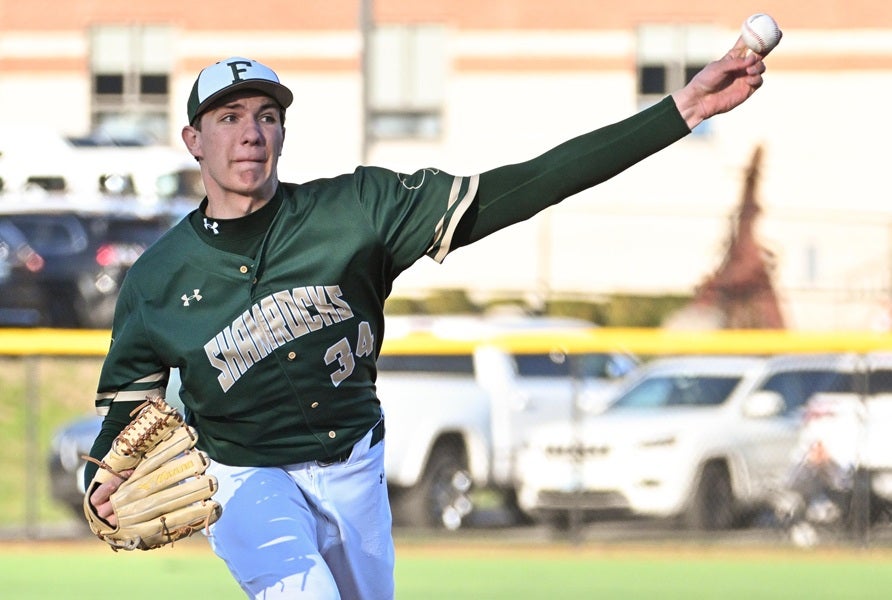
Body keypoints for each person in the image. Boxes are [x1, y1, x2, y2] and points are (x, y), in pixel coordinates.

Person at [85, 37, 769, 599]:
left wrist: (677, 112)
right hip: (243, 478)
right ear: (193, 139)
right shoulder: (158, 279)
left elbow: (526, 185)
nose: (251, 133)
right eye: (229, 118)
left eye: (266, 115)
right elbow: (125, 409)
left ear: (284, 132)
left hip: (354, 466)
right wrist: (101, 481)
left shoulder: (356, 210)